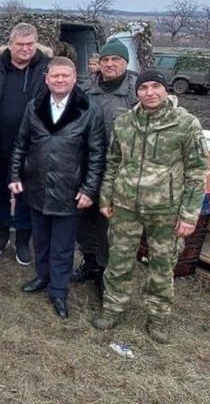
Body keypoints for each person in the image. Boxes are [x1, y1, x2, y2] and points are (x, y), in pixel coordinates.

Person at [92, 70, 208, 343]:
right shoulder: (124, 122)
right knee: (118, 260)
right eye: (144, 87)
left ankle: (157, 317)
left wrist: (189, 214)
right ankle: (112, 308)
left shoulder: (186, 124)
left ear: (166, 90)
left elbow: (197, 172)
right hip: (125, 206)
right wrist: (106, 198)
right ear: (137, 92)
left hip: (166, 209)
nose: (150, 92)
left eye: (156, 86)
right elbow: (113, 163)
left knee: (162, 265)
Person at [9, 57, 106, 318]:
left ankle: (59, 291)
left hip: (69, 191)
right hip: (36, 187)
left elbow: (97, 155)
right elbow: (21, 144)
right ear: (47, 79)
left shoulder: (89, 110)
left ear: (75, 78)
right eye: (55, 76)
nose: (60, 80)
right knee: (40, 241)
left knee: (62, 245)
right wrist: (15, 174)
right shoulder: (35, 107)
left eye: (65, 75)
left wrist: (89, 190)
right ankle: (42, 277)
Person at [0, 23, 51, 265]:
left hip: (32, 149)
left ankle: (23, 240)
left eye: (30, 44)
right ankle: (0, 234)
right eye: (20, 44)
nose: (25, 49)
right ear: (9, 44)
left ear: (36, 43)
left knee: (26, 196)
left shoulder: (47, 71)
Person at [73, 40, 139, 292]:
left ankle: (103, 270)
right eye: (106, 60)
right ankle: (88, 262)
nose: (110, 64)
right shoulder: (85, 88)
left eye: (116, 60)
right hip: (86, 165)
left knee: (108, 224)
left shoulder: (136, 91)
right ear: (99, 63)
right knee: (84, 219)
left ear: (125, 63)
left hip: (119, 170)